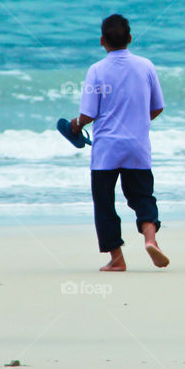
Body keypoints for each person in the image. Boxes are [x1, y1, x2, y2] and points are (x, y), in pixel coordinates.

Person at [70, 14, 168, 271]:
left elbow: (89, 114)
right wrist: (137, 122)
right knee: (143, 197)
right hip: (137, 146)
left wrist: (76, 125)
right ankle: (151, 240)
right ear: (130, 39)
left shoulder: (96, 70)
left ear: (102, 40)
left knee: (104, 204)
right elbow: (157, 107)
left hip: (107, 150)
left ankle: (117, 259)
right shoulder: (146, 66)